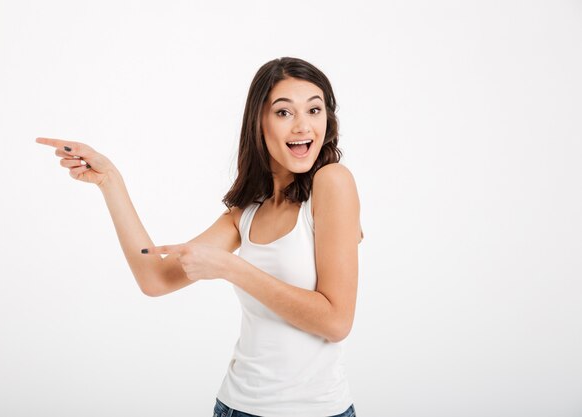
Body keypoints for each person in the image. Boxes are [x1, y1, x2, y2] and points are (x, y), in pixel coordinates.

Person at [36, 56, 362, 417]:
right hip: (235, 406)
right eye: (284, 113)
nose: (303, 126)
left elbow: (336, 321)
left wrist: (232, 269)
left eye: (314, 110)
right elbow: (155, 277)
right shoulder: (247, 212)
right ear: (259, 122)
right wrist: (109, 180)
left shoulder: (332, 183)